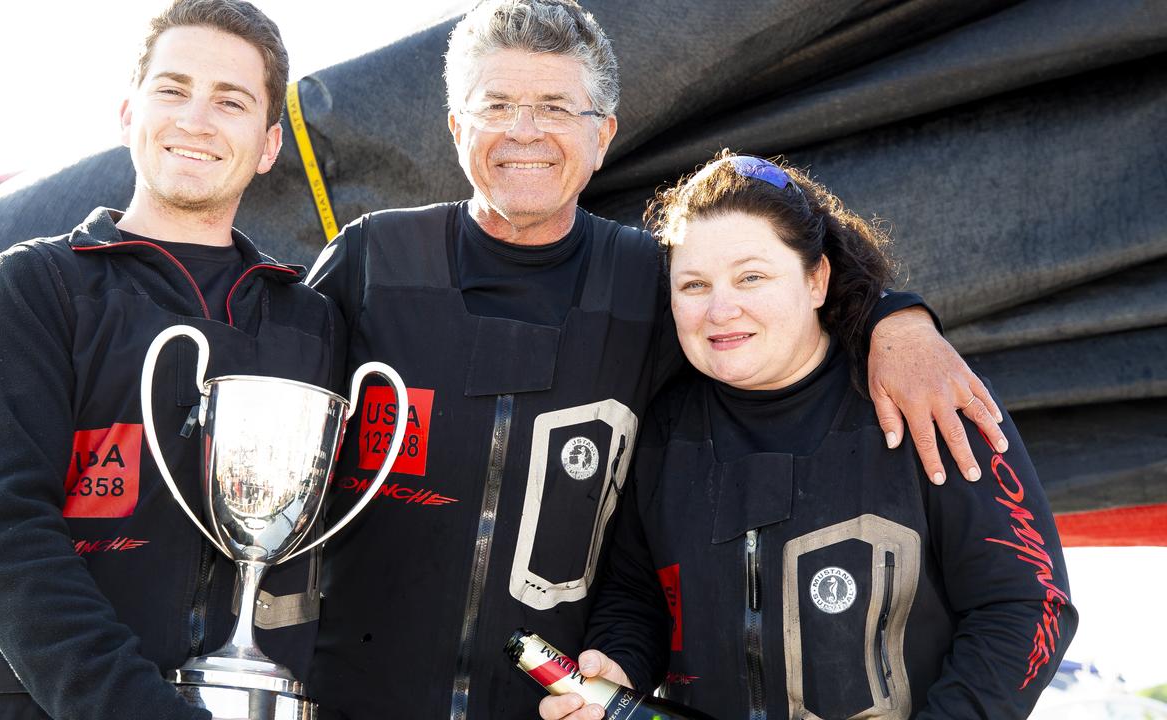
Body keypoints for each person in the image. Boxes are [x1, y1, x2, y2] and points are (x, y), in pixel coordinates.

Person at [305, 2, 1007, 718]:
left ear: (603, 135)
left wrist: (900, 321)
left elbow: (777, 305)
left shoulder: (654, 284)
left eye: (555, 106)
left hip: (551, 707)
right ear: (457, 125)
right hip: (345, 700)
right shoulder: (372, 262)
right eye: (498, 105)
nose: (524, 131)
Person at [538, 154, 1077, 720]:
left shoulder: (924, 397)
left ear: (817, 279)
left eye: (752, 276)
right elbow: (637, 598)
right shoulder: (658, 430)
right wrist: (617, 668)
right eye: (694, 284)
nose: (722, 309)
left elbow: (1028, 605)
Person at [0, 2, 343, 718]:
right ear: (128, 113)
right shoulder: (37, 285)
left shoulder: (308, 321)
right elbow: (1, 532)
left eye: (231, 101)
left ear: (269, 143)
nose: (196, 119)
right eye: (172, 89)